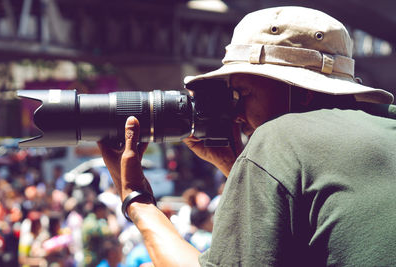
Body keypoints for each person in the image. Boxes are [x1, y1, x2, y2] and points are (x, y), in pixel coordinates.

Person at [98, 6, 396, 266]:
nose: (237, 113)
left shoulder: (280, 136)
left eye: (243, 93)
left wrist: (136, 199)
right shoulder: (386, 125)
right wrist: (239, 167)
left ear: (301, 93)